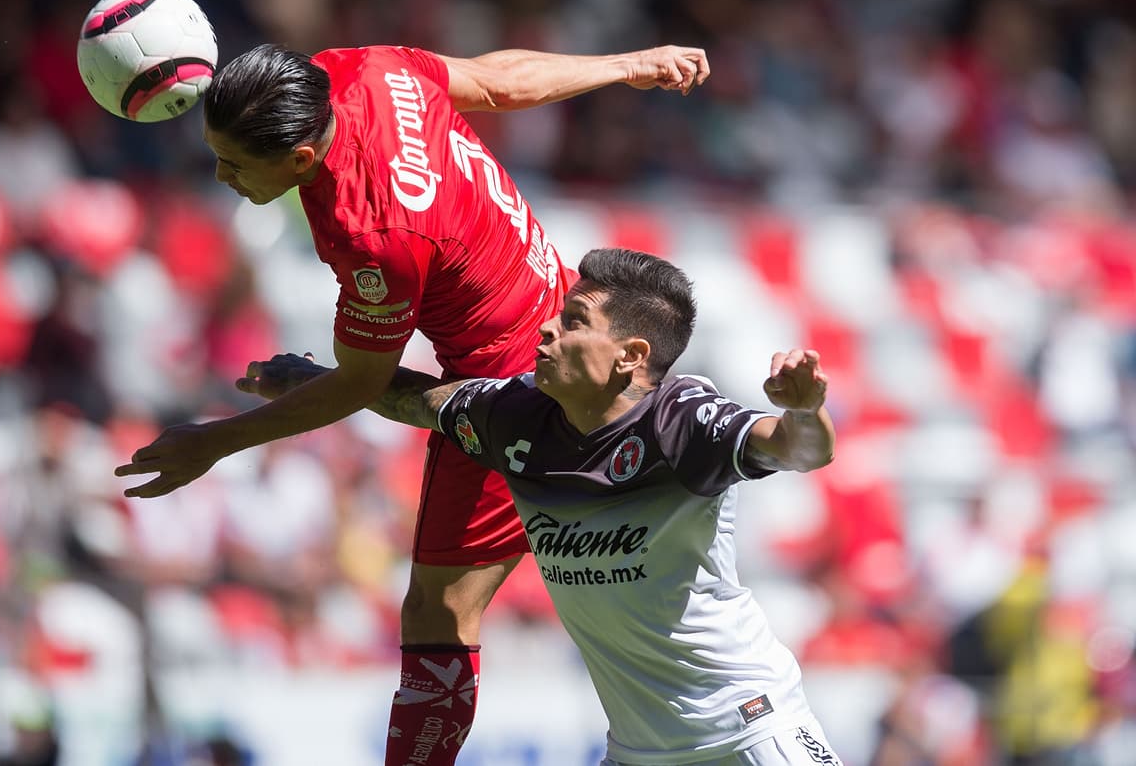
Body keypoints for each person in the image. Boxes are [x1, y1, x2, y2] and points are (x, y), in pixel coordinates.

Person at [114, 43, 710, 764]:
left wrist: (213, 442)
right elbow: (495, 81)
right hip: (553, 300)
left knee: (444, 611)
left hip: (521, 383)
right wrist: (627, 66)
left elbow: (364, 382)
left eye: (235, 164)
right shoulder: (361, 70)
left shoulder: (375, 235)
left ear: (301, 160)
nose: (221, 175)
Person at [236, 247, 842, 766]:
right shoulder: (515, 416)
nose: (547, 330)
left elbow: (798, 449)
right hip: (638, 750)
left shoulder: (681, 421)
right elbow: (416, 402)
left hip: (754, 731)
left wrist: (805, 409)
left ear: (630, 354)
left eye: (574, 321)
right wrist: (313, 380)